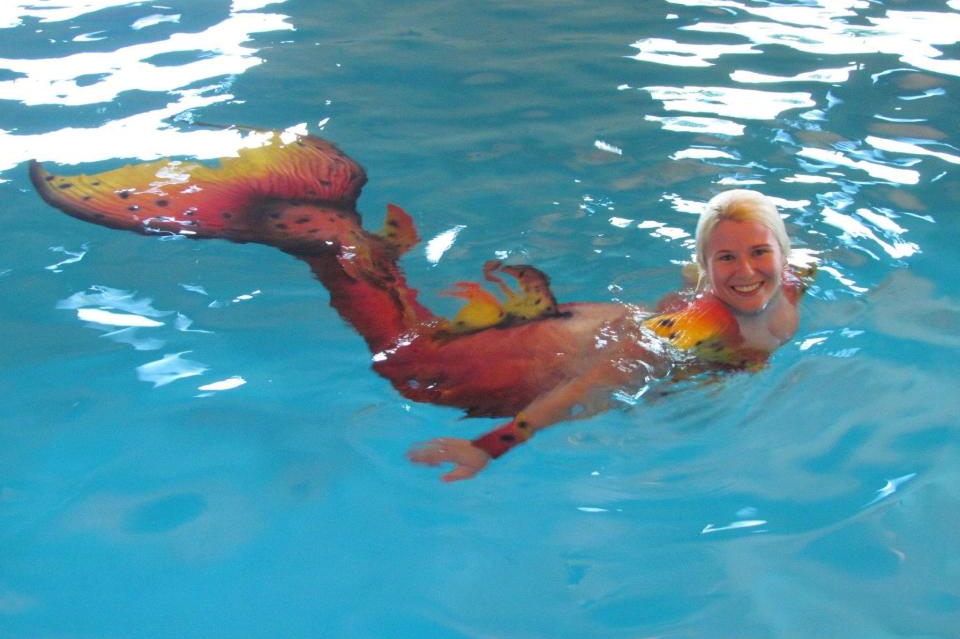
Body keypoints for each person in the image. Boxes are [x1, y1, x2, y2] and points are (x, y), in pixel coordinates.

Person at [30, 130, 813, 482]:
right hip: (532, 366)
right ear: (701, 266)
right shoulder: (714, 319)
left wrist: (798, 261)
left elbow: (773, 283)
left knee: (408, 333)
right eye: (727, 257)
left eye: (761, 253)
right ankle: (301, 231)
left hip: (552, 332)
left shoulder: (778, 294)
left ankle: (347, 245)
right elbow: (594, 385)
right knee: (413, 366)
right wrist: (495, 447)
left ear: (781, 256)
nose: (747, 270)